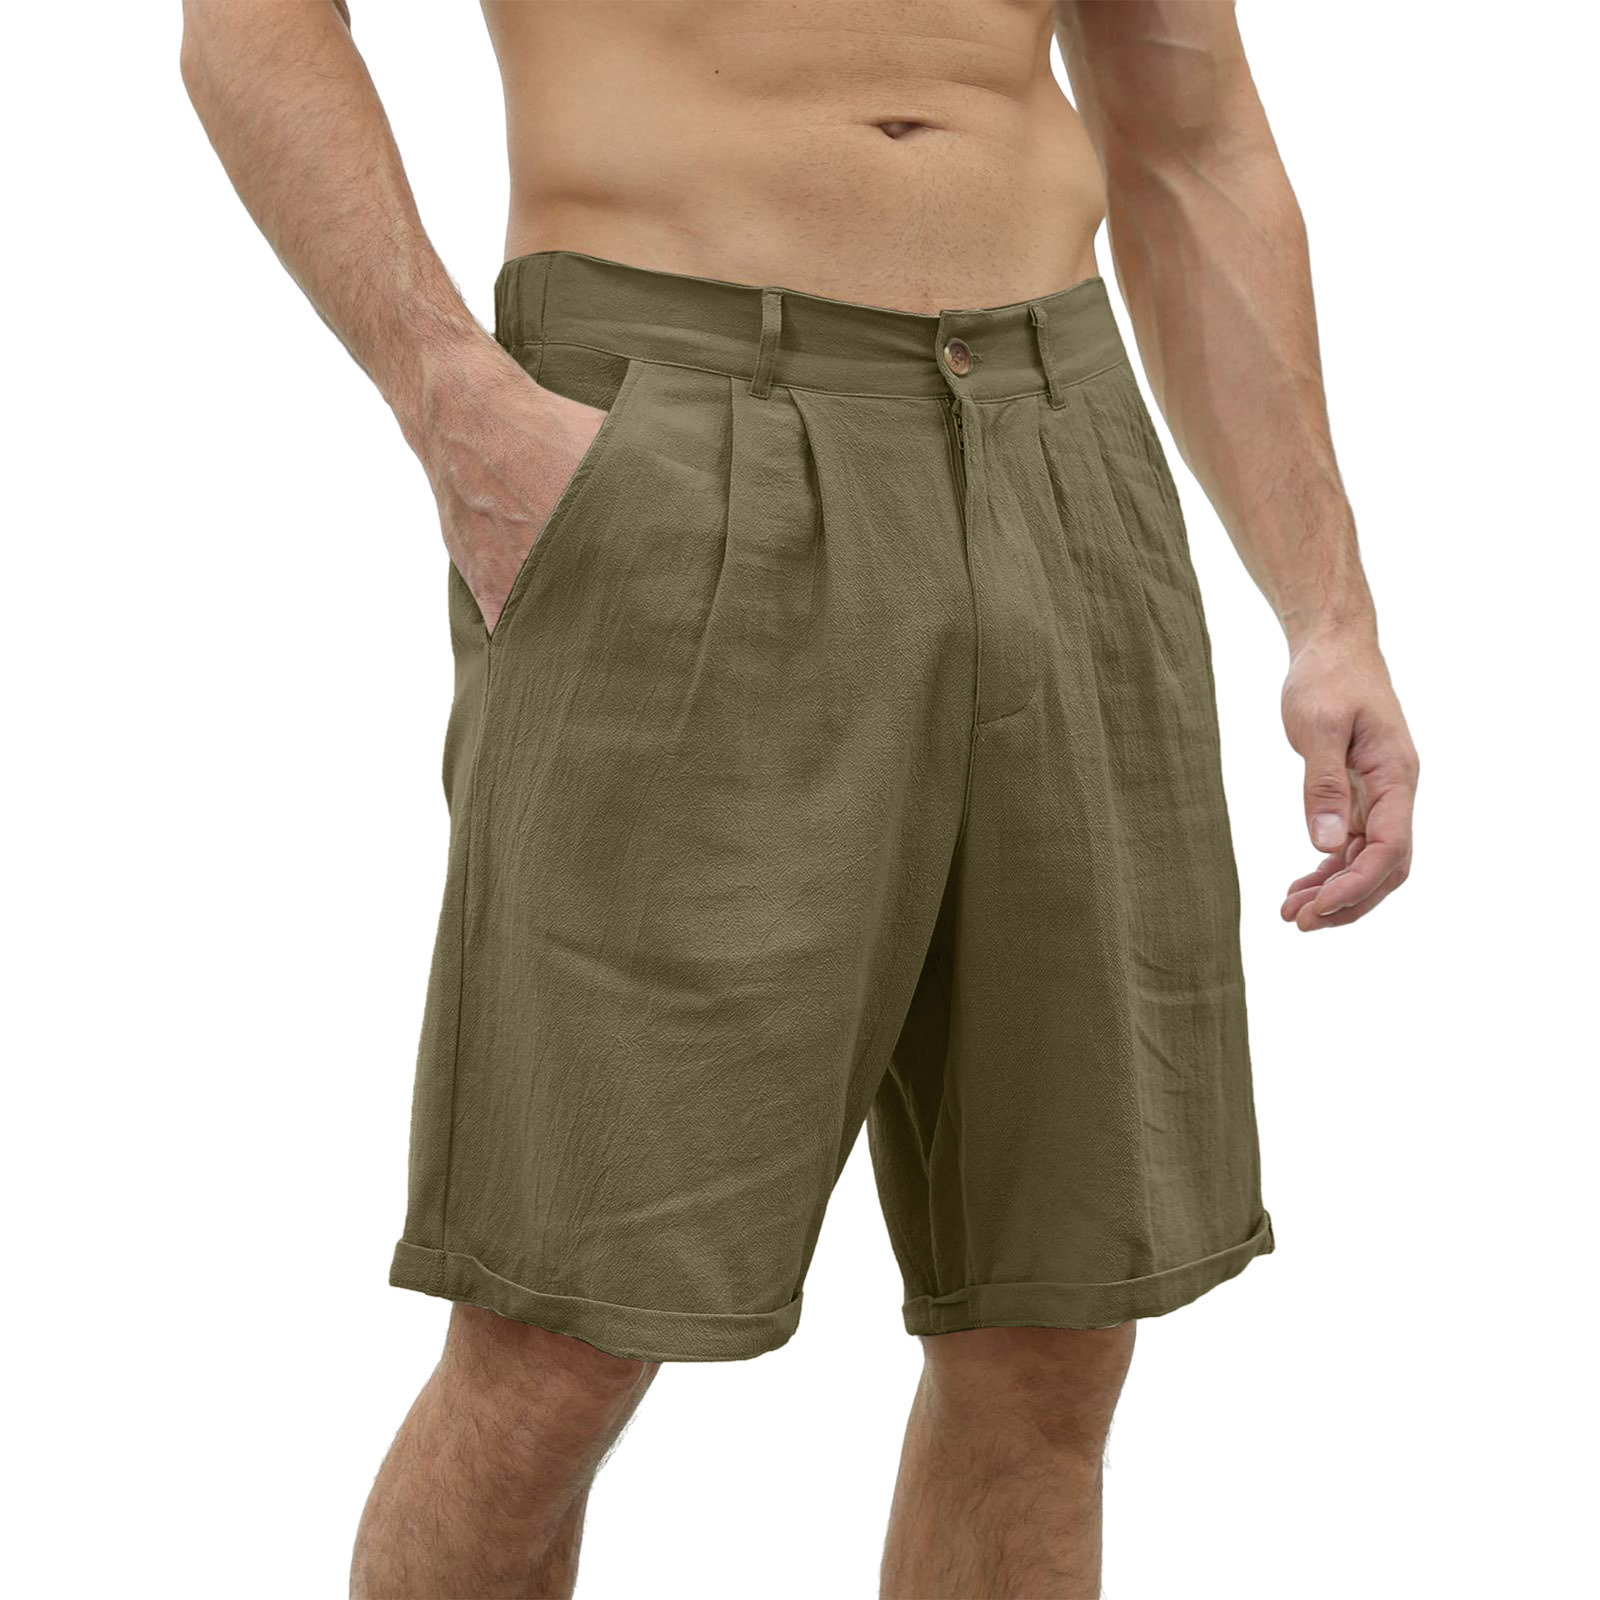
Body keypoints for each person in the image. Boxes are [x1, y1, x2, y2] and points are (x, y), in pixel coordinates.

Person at [181, 2, 1418, 1595]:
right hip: (677, 422)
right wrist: (450, 399)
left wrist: (1329, 614)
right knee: (561, 1332)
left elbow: (1193, 141)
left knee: (1054, 1329)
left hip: (1060, 438)